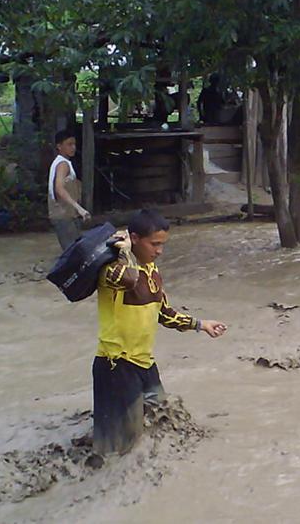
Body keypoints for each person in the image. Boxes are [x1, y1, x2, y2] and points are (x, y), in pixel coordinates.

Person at [93, 209, 227, 455]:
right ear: (134, 238)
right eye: (154, 244)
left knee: (160, 418)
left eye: (162, 244)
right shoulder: (111, 269)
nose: (159, 251)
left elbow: (164, 313)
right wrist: (123, 251)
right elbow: (129, 280)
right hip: (116, 364)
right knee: (121, 444)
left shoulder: (152, 270)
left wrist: (200, 324)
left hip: (144, 362)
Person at [48, 130, 91, 250]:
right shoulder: (63, 165)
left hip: (66, 215)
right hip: (64, 215)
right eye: (69, 144)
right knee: (72, 252)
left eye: (74, 144)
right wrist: (79, 208)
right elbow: (59, 188)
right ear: (59, 146)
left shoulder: (62, 163)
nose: (73, 148)